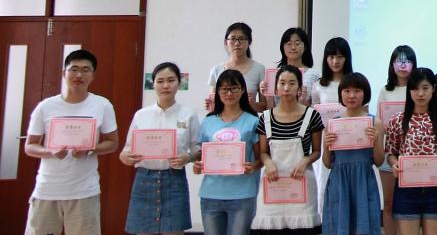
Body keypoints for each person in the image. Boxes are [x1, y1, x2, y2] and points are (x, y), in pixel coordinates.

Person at [23, 49, 118, 235]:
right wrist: (50, 151)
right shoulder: (45, 107)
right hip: (47, 189)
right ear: (64, 73)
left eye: (85, 70)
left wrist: (90, 149)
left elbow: (112, 143)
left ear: (93, 75)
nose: (79, 75)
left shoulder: (103, 105)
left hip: (84, 191)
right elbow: (30, 146)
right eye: (74, 69)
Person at [120, 61, 201, 235]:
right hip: (144, 179)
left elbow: (198, 149)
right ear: (153, 84)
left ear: (179, 83)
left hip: (174, 180)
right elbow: (125, 151)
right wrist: (127, 157)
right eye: (160, 81)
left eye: (171, 80)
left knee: (174, 231)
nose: (165, 86)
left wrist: (188, 157)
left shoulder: (188, 114)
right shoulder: (141, 115)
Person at [252, 64, 324, 234]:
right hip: (272, 185)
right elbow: (263, 152)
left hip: (302, 185)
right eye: (282, 83)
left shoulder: (312, 115)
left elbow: (316, 151)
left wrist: (305, 160)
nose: (286, 88)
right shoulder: (265, 118)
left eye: (292, 83)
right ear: (276, 88)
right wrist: (268, 162)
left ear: (299, 88)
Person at [385, 67, 437, 235]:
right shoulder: (397, 120)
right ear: (409, 91)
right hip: (406, 190)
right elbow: (391, 152)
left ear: (434, 88)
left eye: (425, 88)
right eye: (415, 89)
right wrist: (395, 164)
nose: (420, 93)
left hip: (435, 189)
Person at [193, 69, 262, 235]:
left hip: (242, 194)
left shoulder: (253, 121)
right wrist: (197, 165)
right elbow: (201, 154)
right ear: (217, 92)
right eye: (224, 89)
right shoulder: (208, 121)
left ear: (243, 90)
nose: (229, 93)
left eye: (234, 88)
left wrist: (253, 167)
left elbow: (261, 157)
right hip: (211, 194)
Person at [322, 72, 384, 235]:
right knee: (339, 226)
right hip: (339, 181)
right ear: (340, 94)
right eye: (347, 91)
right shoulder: (332, 124)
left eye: (357, 91)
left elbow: (379, 161)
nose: (351, 95)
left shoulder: (374, 122)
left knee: (365, 226)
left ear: (365, 94)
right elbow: (327, 163)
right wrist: (326, 145)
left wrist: (376, 141)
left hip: (364, 181)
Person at [379, 45, 417, 235]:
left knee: (410, 205)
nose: (403, 65)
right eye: (399, 61)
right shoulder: (385, 91)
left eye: (407, 60)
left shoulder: (417, 90)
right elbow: (380, 123)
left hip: (413, 153)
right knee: (388, 202)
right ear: (392, 64)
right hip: (390, 151)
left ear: (414, 64)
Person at [312, 37, 354, 212]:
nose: (335, 61)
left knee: (348, 184)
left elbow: (363, 113)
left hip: (350, 138)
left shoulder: (354, 83)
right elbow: (313, 114)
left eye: (340, 57)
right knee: (324, 182)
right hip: (327, 139)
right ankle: (325, 221)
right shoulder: (318, 85)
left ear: (347, 58)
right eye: (331, 57)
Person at [208, 22, 267, 112]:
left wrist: (251, 104)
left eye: (242, 39)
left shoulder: (259, 69)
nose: (237, 43)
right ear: (226, 42)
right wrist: (209, 105)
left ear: (249, 42)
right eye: (233, 39)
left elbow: (265, 106)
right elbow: (213, 104)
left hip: (249, 119)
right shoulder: (217, 70)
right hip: (223, 120)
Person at [263, 28, 318, 107]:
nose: (293, 47)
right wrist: (267, 95)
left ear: (305, 46)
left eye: (297, 43)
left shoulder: (315, 75)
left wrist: (303, 100)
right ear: (283, 47)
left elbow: (316, 106)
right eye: (289, 44)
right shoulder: (274, 74)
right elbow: (271, 108)